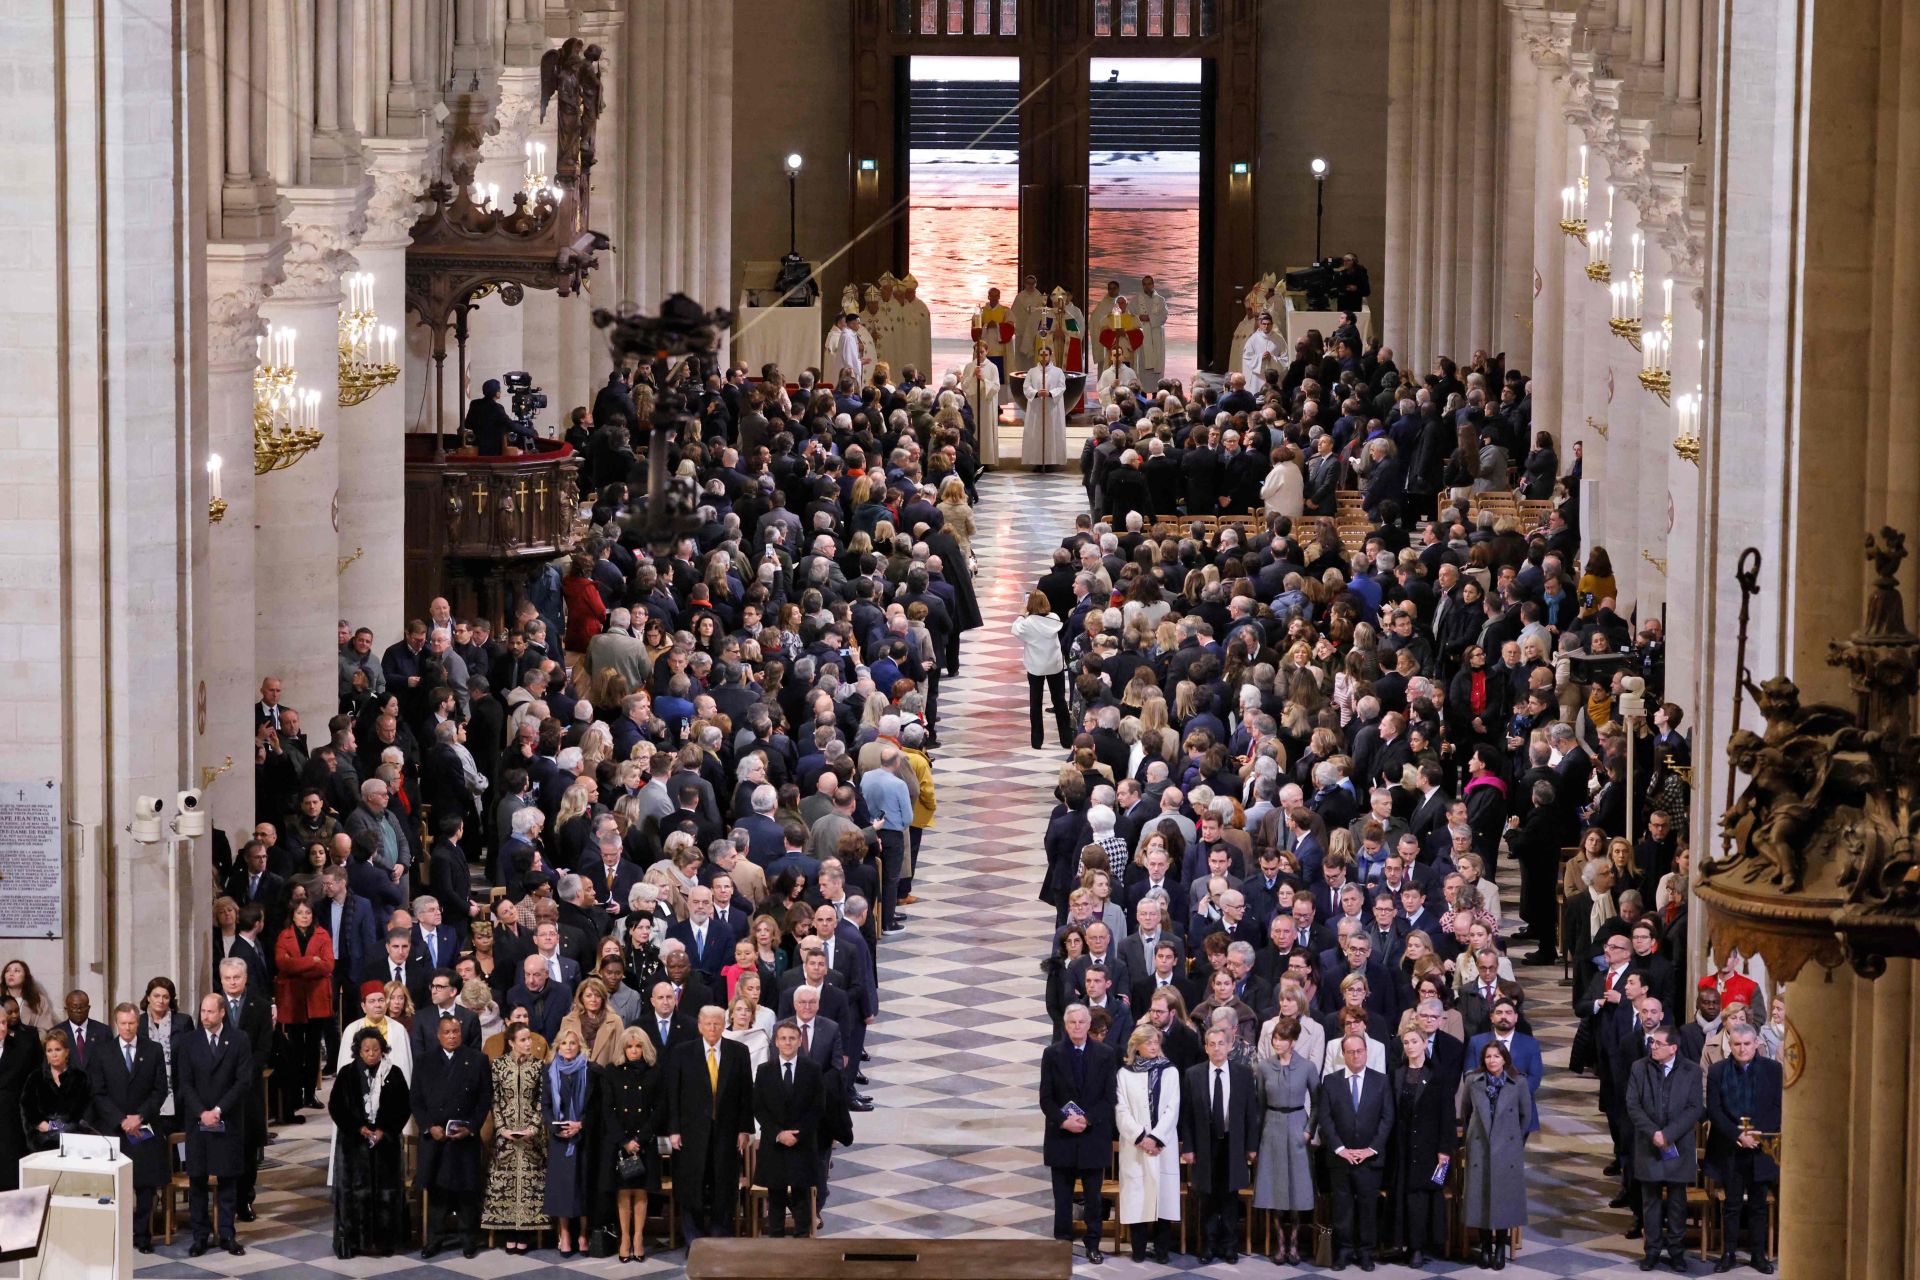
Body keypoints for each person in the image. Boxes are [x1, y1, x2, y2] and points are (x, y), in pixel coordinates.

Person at [661, 1005, 755, 1240]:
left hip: (727, 1131)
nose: (712, 1028)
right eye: (708, 1023)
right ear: (699, 1026)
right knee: (690, 1183)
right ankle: (694, 1238)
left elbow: (746, 1093)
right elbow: (672, 1093)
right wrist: (673, 1130)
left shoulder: (738, 1051)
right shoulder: (682, 1052)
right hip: (691, 1132)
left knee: (724, 1184)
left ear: (724, 1025)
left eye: (717, 1023)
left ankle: (720, 1236)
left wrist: (744, 1129)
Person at [1039, 1003, 1118, 1265]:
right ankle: (1062, 1244)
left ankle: (1093, 1245)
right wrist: (1064, 1121)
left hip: (1092, 1136)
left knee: (1093, 1198)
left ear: (1088, 1025)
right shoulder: (1052, 1054)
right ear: (1065, 1025)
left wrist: (1087, 1119)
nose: (1076, 1027)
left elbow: (1109, 1098)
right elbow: (1046, 1099)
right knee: (1062, 1198)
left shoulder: (1106, 1054)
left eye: (1081, 1022)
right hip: (1062, 1138)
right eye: (1072, 1022)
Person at [87, 1003, 168, 1252]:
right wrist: (121, 1120)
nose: (127, 1028)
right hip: (115, 1131)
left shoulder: (153, 1050)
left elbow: (160, 1090)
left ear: (137, 1023)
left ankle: (142, 1236)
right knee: (115, 1187)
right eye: (123, 1023)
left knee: (144, 1186)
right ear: (116, 1023)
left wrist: (140, 1117)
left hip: (143, 1129)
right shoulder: (102, 1052)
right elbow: (97, 1093)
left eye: (132, 1023)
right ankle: (117, 1236)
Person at [177, 991, 252, 1257]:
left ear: (222, 1013)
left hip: (227, 1119)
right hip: (198, 1121)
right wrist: (202, 1112)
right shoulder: (189, 1042)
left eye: (210, 1011)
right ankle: (200, 1236)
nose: (205, 1016)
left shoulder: (239, 1039)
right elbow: (184, 1082)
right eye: (203, 1011)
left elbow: (243, 1081)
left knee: (228, 1181)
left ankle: (227, 1235)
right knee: (197, 1179)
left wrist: (218, 1110)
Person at [327, 1026, 411, 1258]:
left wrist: (385, 1128)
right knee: (354, 1194)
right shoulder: (347, 1073)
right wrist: (358, 1128)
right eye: (366, 1049)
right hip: (354, 1143)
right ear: (359, 1051)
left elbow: (403, 1106)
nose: (372, 1053)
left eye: (376, 1049)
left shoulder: (394, 1074)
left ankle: (385, 1242)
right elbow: (336, 1106)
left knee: (385, 1193)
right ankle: (352, 1243)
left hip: (386, 1143)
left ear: (383, 1050)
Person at [1179, 1022, 1259, 1265]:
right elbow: (1187, 1116)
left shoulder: (1243, 1074)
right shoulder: (1193, 1074)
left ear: (1230, 1045)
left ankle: (1230, 1246)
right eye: (1211, 1044)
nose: (1216, 1049)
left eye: (1221, 1044)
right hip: (1205, 1144)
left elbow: (1250, 1114)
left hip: (1233, 1144)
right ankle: (1208, 1246)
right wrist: (1188, 1147)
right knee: (1207, 1197)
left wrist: (1251, 1146)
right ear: (1205, 1048)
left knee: (1230, 1198)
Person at [1626, 1026, 1705, 1272]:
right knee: (1650, 1201)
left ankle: (1676, 1251)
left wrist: (1668, 1134)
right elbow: (1633, 1105)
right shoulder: (1640, 1067)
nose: (1653, 1047)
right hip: (1648, 1144)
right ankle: (1651, 1250)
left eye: (1659, 1043)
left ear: (1673, 1047)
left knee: (1677, 1202)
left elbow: (1694, 1108)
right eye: (1652, 1043)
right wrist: (1654, 1133)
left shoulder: (1692, 1071)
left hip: (1678, 1145)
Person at [1705, 1022, 1780, 1274]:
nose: (1742, 1049)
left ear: (1756, 1044)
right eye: (1737, 1044)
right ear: (1731, 1045)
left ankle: (1758, 1255)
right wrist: (1738, 1134)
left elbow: (1779, 1107)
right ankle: (1728, 1254)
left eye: (1747, 1044)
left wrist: (1758, 1133)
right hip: (1729, 1147)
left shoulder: (1773, 1070)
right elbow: (1714, 1111)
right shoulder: (1717, 1072)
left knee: (1759, 1204)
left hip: (1762, 1147)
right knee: (1732, 1204)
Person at [1319, 1031, 1393, 1270]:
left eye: (1359, 1051)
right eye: (1350, 1051)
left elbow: (1387, 1118)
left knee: (1367, 1206)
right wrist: (1340, 1149)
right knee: (1342, 1207)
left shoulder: (1381, 1081)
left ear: (1366, 1052)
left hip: (1369, 1158)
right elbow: (1326, 1118)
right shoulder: (1331, 1081)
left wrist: (1371, 1149)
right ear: (1343, 1055)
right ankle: (1344, 1251)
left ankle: (1365, 1252)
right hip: (1340, 1157)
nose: (1355, 1055)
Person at [1457, 1038, 1533, 1268]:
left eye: (1497, 1056)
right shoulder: (1472, 1080)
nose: (1492, 1060)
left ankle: (1500, 1245)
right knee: (1479, 1197)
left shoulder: (1518, 1083)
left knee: (1503, 1199)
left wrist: (1512, 1140)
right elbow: (1466, 1111)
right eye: (1488, 1056)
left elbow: (1525, 1117)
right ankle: (1485, 1248)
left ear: (1504, 1059)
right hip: (1479, 1146)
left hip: (1507, 1148)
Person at [1252, 1017, 1319, 1266]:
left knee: (1297, 1188)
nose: (1277, 1043)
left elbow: (1318, 1102)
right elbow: (1259, 1103)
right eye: (1275, 1038)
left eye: (1282, 1039)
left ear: (1293, 1042)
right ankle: (1280, 1244)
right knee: (1275, 1187)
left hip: (1297, 1124)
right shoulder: (1264, 1067)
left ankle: (1294, 1244)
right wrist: (1258, 1137)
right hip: (1272, 1125)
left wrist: (1309, 1130)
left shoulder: (1307, 1067)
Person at [1114, 1023, 1180, 1264]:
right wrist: (1142, 1137)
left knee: (1163, 1198)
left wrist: (1156, 1138)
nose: (1153, 1046)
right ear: (1137, 1046)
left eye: (1156, 1042)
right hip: (1136, 1146)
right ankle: (1139, 1250)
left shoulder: (1170, 1071)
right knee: (1138, 1197)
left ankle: (1162, 1251)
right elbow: (1121, 1110)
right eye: (1148, 1042)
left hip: (1163, 1145)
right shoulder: (1125, 1073)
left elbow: (1173, 1108)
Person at [481, 1021, 548, 1253]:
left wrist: (533, 1127)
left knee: (530, 1183)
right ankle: (509, 1231)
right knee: (506, 1181)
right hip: (505, 1135)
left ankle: (526, 1233)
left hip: (531, 1134)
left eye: (529, 1038)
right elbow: (495, 1099)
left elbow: (542, 1100)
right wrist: (502, 1128)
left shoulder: (539, 1066)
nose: (529, 1043)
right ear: (511, 1042)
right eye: (523, 1039)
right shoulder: (498, 1065)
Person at [753, 1020, 825, 1236]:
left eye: (792, 1038)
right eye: (783, 1038)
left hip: (801, 1144)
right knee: (775, 1196)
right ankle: (776, 1243)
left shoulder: (812, 1070)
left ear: (799, 1041)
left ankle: (802, 1240)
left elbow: (817, 1107)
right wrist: (778, 1133)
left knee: (802, 1196)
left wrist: (798, 1135)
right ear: (776, 1042)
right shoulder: (764, 1070)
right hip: (774, 1144)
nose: (787, 1042)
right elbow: (759, 1107)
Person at [604, 1026, 662, 1262]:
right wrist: (625, 1140)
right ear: (623, 1048)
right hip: (620, 1141)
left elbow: (659, 1108)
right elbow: (608, 1109)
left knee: (640, 1191)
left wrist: (640, 1138)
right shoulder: (612, 1071)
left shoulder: (654, 1072)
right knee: (623, 1192)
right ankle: (624, 1238)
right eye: (629, 1046)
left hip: (644, 1141)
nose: (634, 1050)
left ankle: (638, 1237)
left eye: (638, 1046)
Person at [273, 898, 335, 1120]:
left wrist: (298, 965)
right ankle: (296, 1094)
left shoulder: (322, 934)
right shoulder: (284, 935)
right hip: (293, 1000)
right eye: (300, 913)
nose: (304, 916)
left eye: (308, 913)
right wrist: (312, 962)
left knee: (312, 1050)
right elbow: (282, 964)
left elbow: (328, 965)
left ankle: (310, 1093)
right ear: (293, 915)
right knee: (296, 1050)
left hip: (316, 998)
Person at [543, 1026, 600, 1256]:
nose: (568, 1047)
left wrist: (581, 1124)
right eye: (564, 1043)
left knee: (584, 1184)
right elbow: (545, 1105)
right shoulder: (549, 1071)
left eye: (573, 1043)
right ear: (558, 1046)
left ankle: (583, 1234)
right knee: (562, 1188)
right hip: (559, 1138)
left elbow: (597, 1106)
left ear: (580, 1047)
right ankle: (564, 1234)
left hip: (584, 1137)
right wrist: (554, 1127)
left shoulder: (591, 1070)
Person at [1014, 590, 1069, 750]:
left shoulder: (1028, 622)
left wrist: (1021, 615)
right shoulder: (1055, 618)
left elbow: (1016, 629)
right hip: (1054, 664)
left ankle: (1037, 741)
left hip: (1036, 666)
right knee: (1059, 701)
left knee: (1035, 703)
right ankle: (1066, 739)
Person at [21, 1027, 91, 1150]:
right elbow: (28, 1110)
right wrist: (48, 1126)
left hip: (73, 1141)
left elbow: (85, 1112)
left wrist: (65, 1128)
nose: (54, 1054)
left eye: (58, 1049)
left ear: (67, 1052)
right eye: (49, 1050)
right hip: (42, 1142)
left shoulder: (80, 1078)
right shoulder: (35, 1078)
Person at [1023, 342, 1068, 470]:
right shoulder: (1032, 372)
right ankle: (1037, 461)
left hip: (1051, 408)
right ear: (1038, 356)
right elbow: (1026, 387)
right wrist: (1036, 393)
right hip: (1037, 408)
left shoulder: (1058, 371)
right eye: (1041, 355)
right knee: (1036, 433)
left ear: (1050, 355)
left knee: (1052, 433)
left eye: (1046, 355)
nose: (1043, 357)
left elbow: (1062, 387)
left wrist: (1051, 393)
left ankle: (1051, 461)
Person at [959, 338, 1002, 467]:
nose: (980, 354)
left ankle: (987, 461)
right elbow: (965, 386)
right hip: (974, 403)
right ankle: (974, 459)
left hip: (986, 404)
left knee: (986, 431)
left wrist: (983, 379)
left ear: (987, 351)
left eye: (982, 352)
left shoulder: (993, 367)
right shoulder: (969, 366)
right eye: (977, 352)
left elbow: (996, 387)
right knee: (974, 430)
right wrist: (973, 377)